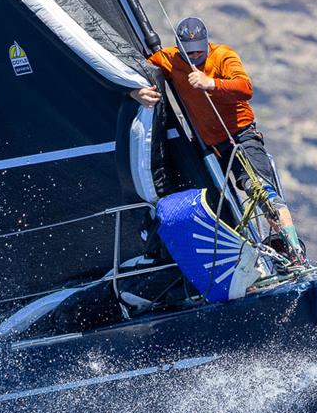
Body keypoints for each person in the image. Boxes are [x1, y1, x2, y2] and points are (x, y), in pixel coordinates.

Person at [130, 17, 307, 268]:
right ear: (179, 48)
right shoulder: (170, 58)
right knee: (213, 202)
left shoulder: (223, 55)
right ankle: (237, 262)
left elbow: (245, 88)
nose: (195, 57)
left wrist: (211, 83)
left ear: (206, 44)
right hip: (208, 147)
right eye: (188, 53)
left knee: (259, 190)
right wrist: (134, 90)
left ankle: (295, 252)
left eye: (199, 52)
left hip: (241, 137)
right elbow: (136, 68)